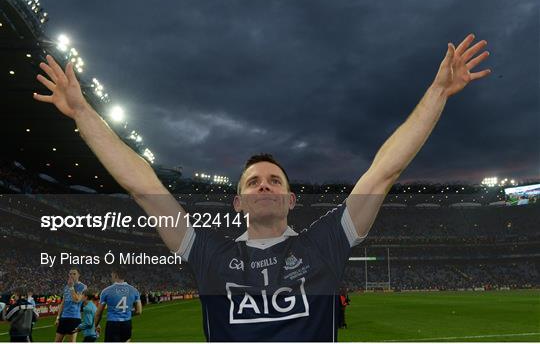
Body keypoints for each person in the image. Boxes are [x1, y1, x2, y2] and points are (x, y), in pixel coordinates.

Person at [34, 33, 491, 341]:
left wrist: (436, 94)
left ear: (292, 200)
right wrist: (83, 114)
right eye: (254, 181)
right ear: (238, 203)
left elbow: (382, 172)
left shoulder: (325, 243)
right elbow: (143, 185)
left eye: (275, 180)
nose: (266, 185)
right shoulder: (209, 254)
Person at [95, 268, 142, 342]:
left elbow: (98, 313)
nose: (111, 277)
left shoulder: (106, 291)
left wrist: (95, 326)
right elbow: (139, 311)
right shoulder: (134, 290)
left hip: (113, 324)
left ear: (115, 275)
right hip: (127, 324)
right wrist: (126, 313)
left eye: (111, 275)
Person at [54, 268, 87, 342]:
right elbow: (63, 303)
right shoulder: (66, 287)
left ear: (79, 275)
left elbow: (77, 300)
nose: (72, 275)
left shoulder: (82, 286)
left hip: (74, 318)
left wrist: (71, 287)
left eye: (74, 274)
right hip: (64, 318)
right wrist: (58, 317)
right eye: (70, 274)